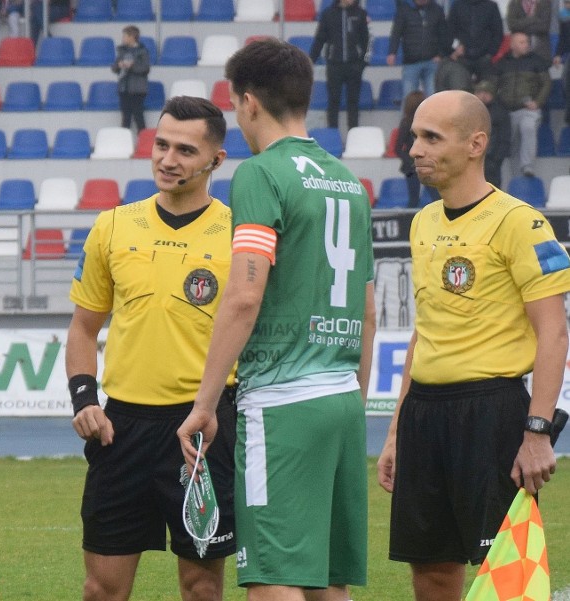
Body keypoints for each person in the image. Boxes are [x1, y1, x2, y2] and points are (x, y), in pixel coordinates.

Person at [178, 39, 376, 601]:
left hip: (282, 400)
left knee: (272, 577)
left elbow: (244, 296)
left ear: (247, 103)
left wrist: (204, 404)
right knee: (326, 582)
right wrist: (352, 395)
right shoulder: (347, 181)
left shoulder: (259, 174)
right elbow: (367, 306)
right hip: (340, 397)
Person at [377, 89, 570, 601]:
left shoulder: (520, 223)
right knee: (432, 569)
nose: (414, 148)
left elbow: (554, 332)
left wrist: (538, 431)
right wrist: (396, 430)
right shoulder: (422, 223)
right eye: (414, 135)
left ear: (475, 143)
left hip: (491, 413)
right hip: (424, 413)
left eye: (430, 137)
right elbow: (425, 333)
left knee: (504, 574)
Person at [67, 95, 236, 601]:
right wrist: (84, 399)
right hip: (122, 430)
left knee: (201, 586)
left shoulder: (238, 232)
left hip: (202, 428)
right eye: (161, 144)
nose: (167, 159)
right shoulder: (113, 226)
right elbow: (82, 327)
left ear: (215, 160)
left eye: (185, 150)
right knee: (101, 588)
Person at [494, 32, 551, 177]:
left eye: (527, 42)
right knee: (511, 142)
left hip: (528, 109)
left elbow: (547, 83)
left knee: (528, 127)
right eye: (522, 42)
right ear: (512, 45)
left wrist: (537, 102)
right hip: (507, 110)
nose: (526, 45)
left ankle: (527, 166)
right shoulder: (502, 63)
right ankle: (515, 175)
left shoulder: (537, 61)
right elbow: (493, 85)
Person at [309, 0, 370, 131]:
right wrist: (310, 61)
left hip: (354, 65)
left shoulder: (360, 13)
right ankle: (333, 135)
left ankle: (353, 136)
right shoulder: (328, 14)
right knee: (333, 102)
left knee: (353, 104)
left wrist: (363, 63)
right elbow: (320, 39)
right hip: (334, 65)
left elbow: (368, 40)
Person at [436, 0, 503, 92]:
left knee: (485, 93)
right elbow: (450, 31)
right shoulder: (457, 6)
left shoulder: (491, 6)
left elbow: (497, 33)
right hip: (462, 59)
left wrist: (490, 54)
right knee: (462, 92)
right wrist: (454, 49)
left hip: (484, 59)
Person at [387, 0, 450, 97]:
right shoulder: (404, 9)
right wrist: (392, 52)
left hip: (432, 62)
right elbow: (396, 33)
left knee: (433, 98)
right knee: (409, 98)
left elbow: (444, 35)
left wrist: (441, 54)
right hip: (410, 62)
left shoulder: (437, 9)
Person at [111, 24, 150, 134]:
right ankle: (124, 144)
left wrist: (131, 66)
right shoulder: (122, 51)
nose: (123, 38)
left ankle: (143, 143)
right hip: (124, 89)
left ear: (132, 37)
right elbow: (114, 68)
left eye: (125, 36)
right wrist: (119, 65)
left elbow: (145, 68)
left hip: (137, 90)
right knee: (125, 119)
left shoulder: (143, 51)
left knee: (139, 118)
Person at [473, 79, 511, 187]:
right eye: (480, 92)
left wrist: (497, 159)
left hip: (492, 159)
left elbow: (505, 136)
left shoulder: (500, 111)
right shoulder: (469, 111)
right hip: (472, 158)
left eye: (486, 93)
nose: (483, 95)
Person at [395, 90, 428, 208]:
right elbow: (397, 148)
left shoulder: (428, 122)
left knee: (436, 197)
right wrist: (412, 161)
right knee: (413, 199)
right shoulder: (406, 124)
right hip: (410, 168)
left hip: (428, 164)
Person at [555, 0, 570, 126]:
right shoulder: (565, 17)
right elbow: (563, 38)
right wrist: (558, 54)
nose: (568, 6)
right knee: (566, 80)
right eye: (566, 3)